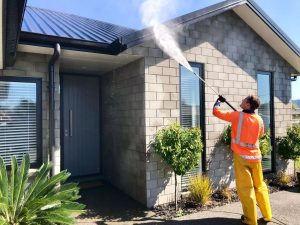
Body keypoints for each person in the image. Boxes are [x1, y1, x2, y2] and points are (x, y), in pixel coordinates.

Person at [213, 95, 272, 225]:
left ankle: (250, 220)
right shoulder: (259, 119)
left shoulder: (236, 116)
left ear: (248, 105)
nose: (241, 101)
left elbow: (216, 112)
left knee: (246, 188)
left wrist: (218, 102)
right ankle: (267, 215)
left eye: (244, 100)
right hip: (256, 157)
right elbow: (260, 134)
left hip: (241, 157)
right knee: (260, 186)